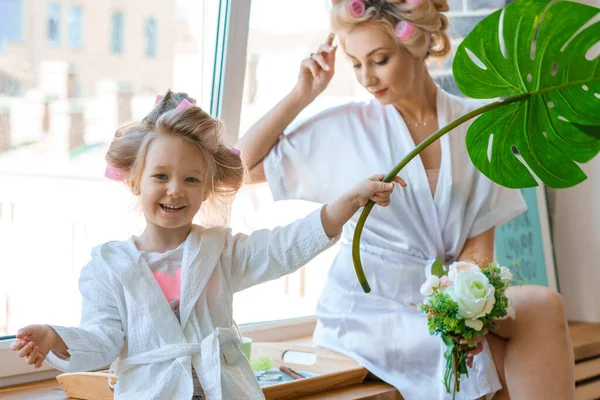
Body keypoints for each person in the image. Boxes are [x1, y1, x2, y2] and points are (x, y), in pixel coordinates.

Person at [236, 0, 575, 398]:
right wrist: (302, 93)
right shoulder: (347, 128)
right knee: (496, 367)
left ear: (416, 44)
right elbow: (238, 168)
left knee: (544, 306)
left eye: (379, 60)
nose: (366, 77)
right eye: (356, 63)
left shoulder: (474, 125)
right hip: (369, 313)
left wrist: (465, 314)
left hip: (438, 303)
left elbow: (477, 248)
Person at [10, 90, 404, 399]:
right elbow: (101, 341)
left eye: (191, 180)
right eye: (161, 176)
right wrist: (54, 337)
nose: (175, 190)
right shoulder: (108, 269)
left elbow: (284, 247)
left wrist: (348, 200)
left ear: (207, 189)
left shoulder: (221, 251)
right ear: (135, 181)